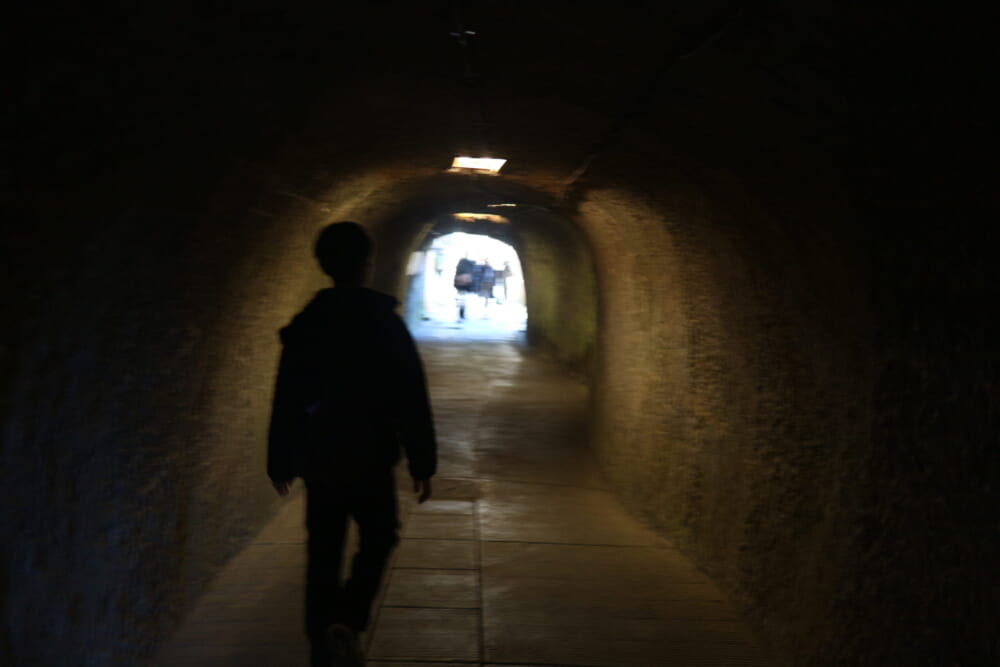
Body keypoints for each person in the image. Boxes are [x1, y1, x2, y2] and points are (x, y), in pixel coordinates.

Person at [267, 221, 437, 667]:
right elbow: (410, 394)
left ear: (323, 265)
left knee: (323, 551)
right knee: (379, 536)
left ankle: (321, 646)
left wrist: (280, 459)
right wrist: (423, 460)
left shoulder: (308, 325)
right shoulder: (384, 323)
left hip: (321, 456)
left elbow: (287, 395)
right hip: (371, 453)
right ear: (367, 264)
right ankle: (348, 618)